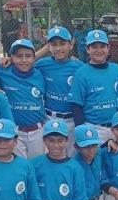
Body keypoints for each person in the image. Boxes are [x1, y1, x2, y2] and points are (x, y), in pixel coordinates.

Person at [36, 26, 84, 156]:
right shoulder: (43, 64)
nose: (58, 48)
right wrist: (46, 48)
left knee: (70, 157)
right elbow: (26, 62)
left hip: (71, 119)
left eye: (63, 44)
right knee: (49, 157)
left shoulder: (79, 67)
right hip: (49, 118)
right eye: (53, 44)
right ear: (49, 46)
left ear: (71, 44)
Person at [0, 39, 47, 159]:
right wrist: (0, 60)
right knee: (17, 166)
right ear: (11, 58)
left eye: (28, 56)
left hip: (37, 130)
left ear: (34, 58)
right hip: (15, 131)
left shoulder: (41, 73)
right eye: (18, 56)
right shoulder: (4, 71)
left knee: (36, 166)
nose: (24, 60)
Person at [69, 29, 118, 141]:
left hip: (117, 127)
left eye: (102, 46)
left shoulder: (116, 69)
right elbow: (76, 105)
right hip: (94, 128)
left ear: (108, 48)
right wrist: (83, 131)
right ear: (88, 49)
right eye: (94, 47)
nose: (99, 50)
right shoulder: (81, 73)